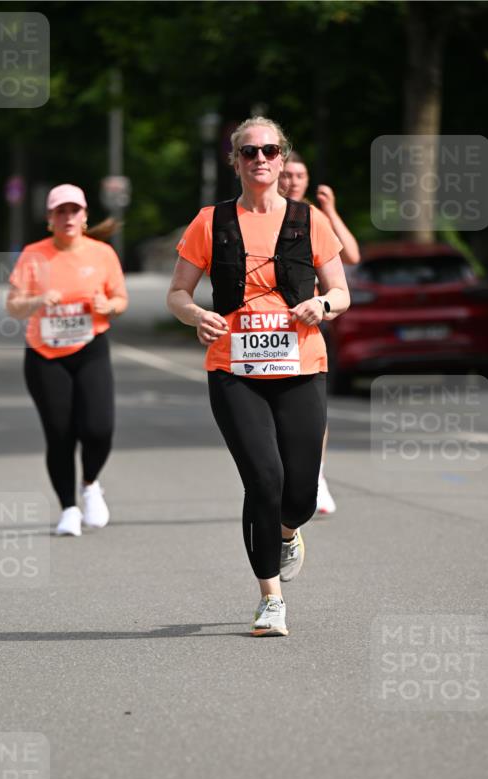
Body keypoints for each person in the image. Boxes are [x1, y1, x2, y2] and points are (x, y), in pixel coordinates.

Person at [167, 117, 350, 636]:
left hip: (301, 367)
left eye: (270, 150)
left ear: (282, 155)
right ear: (237, 162)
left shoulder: (310, 220)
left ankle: (288, 531)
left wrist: (321, 302)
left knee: (301, 494)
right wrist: (195, 314)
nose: (261, 159)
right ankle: (270, 598)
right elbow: (177, 294)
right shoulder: (211, 221)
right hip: (234, 370)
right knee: (263, 480)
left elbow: (341, 292)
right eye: (250, 152)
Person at [7, 184, 128, 536]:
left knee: (99, 428)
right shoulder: (33, 255)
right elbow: (13, 306)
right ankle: (68, 509)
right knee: (60, 433)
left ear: (85, 216)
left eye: (74, 210)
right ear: (49, 219)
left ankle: (90, 483)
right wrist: (38, 300)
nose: (68, 217)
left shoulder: (102, 253)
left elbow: (120, 299)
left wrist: (109, 306)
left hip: (90, 347)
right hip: (45, 354)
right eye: (60, 211)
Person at [280, 152, 361, 515]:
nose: (293, 181)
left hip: (308, 325)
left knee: (313, 413)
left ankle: (316, 476)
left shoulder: (313, 217)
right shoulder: (263, 216)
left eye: (300, 175)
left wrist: (331, 210)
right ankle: (284, 476)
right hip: (268, 327)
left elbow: (353, 256)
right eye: (288, 175)